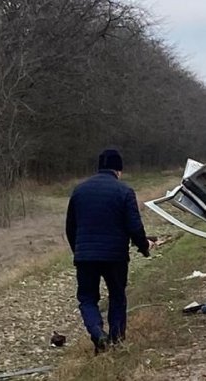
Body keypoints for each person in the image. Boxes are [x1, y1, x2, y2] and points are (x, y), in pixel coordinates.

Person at [66, 149, 151, 354]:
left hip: (85, 256)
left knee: (87, 299)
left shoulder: (79, 190)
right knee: (117, 296)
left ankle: (97, 333)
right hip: (115, 257)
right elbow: (134, 227)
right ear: (119, 170)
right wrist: (144, 247)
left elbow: (70, 227)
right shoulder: (124, 191)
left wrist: (78, 251)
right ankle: (116, 340)